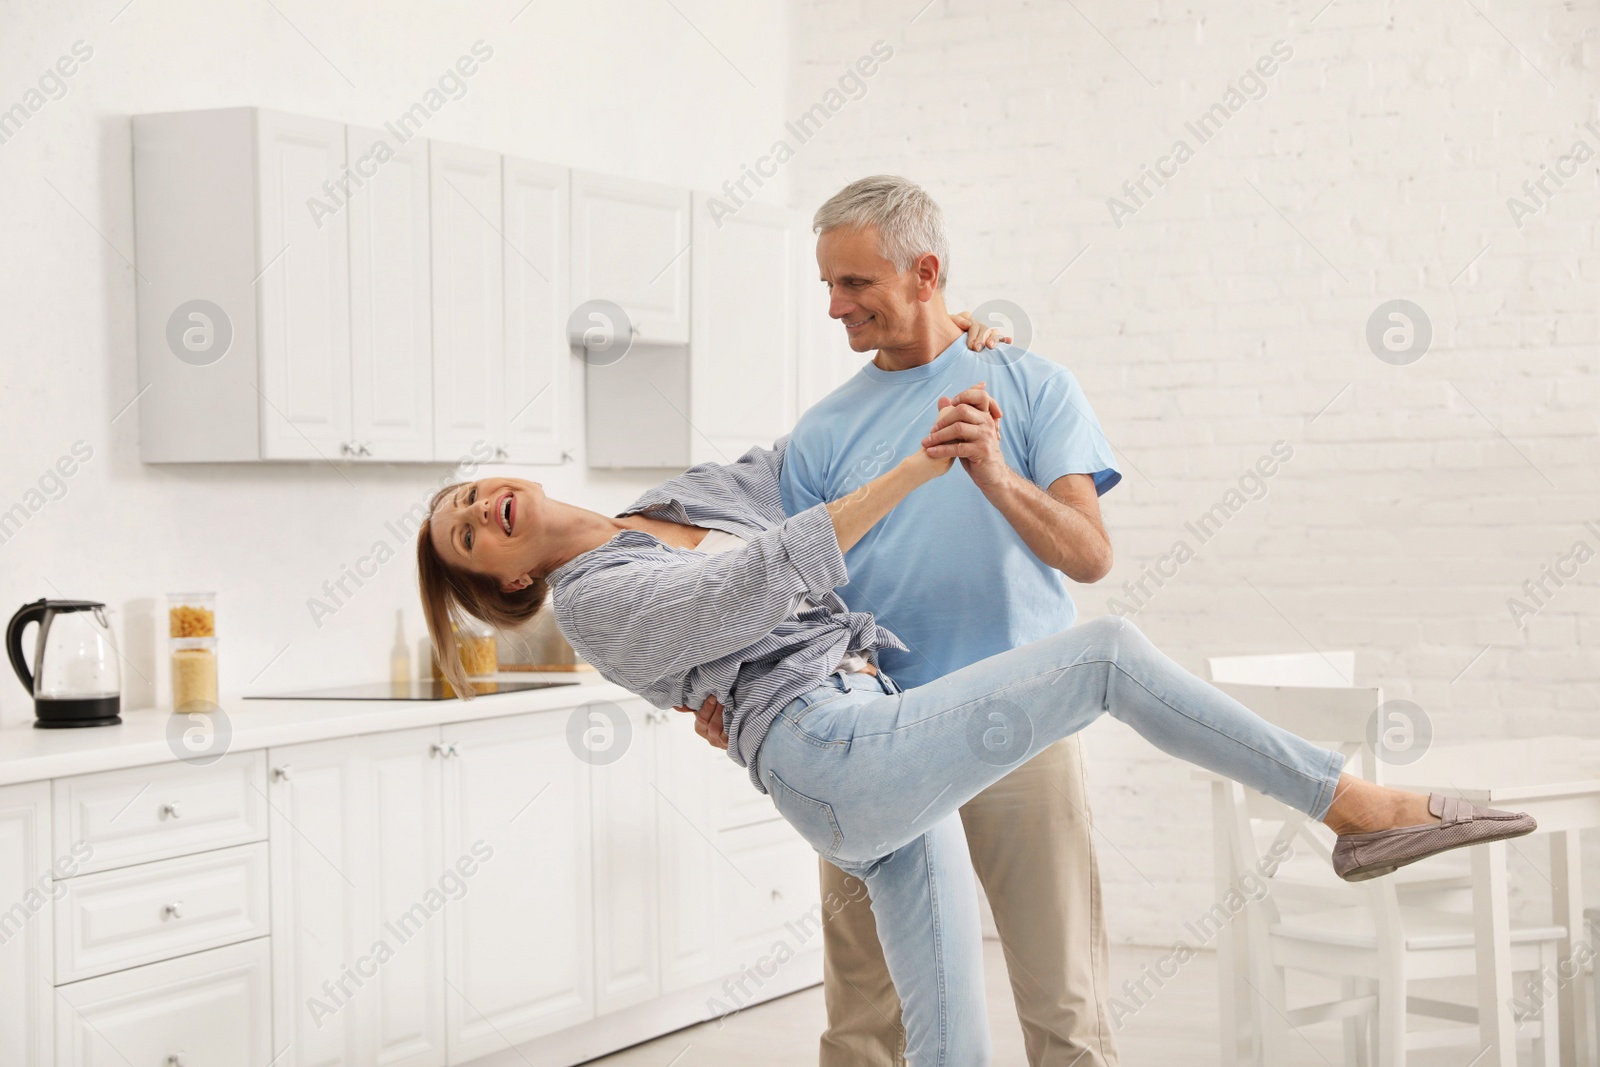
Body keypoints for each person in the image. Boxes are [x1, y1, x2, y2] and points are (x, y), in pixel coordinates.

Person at [414, 426, 1537, 1067]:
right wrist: (910, 471)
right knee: (1105, 655)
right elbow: (745, 583)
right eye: (466, 533)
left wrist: (967, 357)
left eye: (472, 490)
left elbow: (803, 451)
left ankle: (1351, 810)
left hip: (859, 728)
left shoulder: (675, 495)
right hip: (829, 748)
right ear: (503, 579)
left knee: (950, 1036)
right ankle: (1348, 806)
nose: (482, 508)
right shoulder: (596, 599)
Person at [692, 174, 1127, 1067]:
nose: (834, 307)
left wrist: (997, 477)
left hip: (1023, 722)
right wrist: (730, 694)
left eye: (854, 284)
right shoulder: (817, 438)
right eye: (826, 284)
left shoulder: (1032, 385)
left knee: (1065, 1008)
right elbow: (788, 604)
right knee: (863, 1020)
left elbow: (1089, 554)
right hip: (871, 736)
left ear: (925, 273)